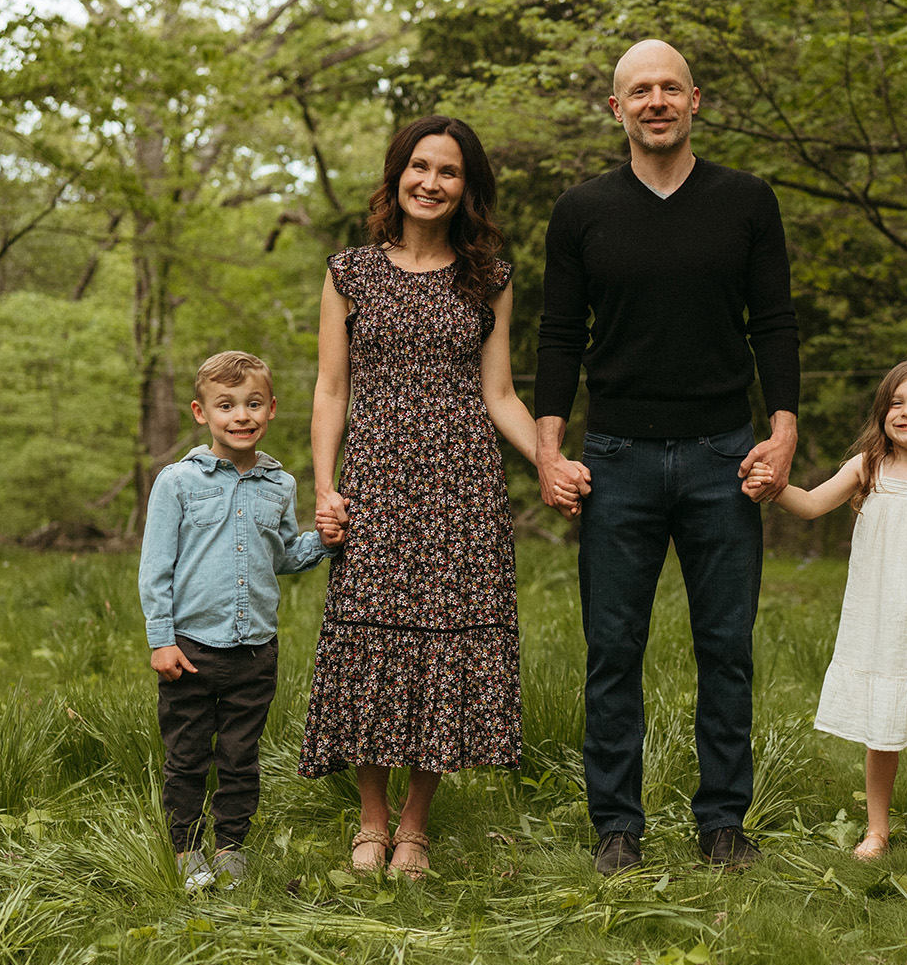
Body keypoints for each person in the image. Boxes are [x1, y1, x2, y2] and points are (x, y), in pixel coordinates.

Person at [533, 39, 800, 874]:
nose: (656, 100)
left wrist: (784, 431)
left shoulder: (747, 201)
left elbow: (776, 323)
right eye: (638, 90)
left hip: (726, 456)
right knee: (614, 648)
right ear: (616, 109)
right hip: (616, 459)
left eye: (669, 88)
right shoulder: (582, 211)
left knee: (727, 646)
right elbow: (558, 335)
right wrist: (549, 448)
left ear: (695, 100)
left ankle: (724, 823)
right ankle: (617, 826)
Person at [304, 116, 587, 879]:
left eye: (449, 172)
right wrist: (326, 487)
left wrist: (550, 462)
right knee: (370, 640)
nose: (431, 182)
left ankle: (416, 828)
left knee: (444, 646)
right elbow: (332, 389)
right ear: (397, 176)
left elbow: (500, 394)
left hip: (463, 489)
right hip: (377, 484)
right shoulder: (350, 272)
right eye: (419, 167)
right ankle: (369, 821)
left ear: (468, 189)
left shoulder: (488, 277)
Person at [747, 360, 907, 861]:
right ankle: (876, 831)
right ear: (882, 414)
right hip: (883, 619)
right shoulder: (869, 467)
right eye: (896, 404)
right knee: (883, 731)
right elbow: (813, 504)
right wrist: (771, 486)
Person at [139, 351, 336, 892]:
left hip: (255, 651)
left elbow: (283, 557)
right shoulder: (177, 482)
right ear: (202, 413)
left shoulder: (280, 485)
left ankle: (230, 850)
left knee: (240, 757)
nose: (240, 415)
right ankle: (185, 851)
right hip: (190, 650)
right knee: (187, 756)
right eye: (226, 405)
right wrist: (161, 641)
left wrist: (324, 541)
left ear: (271, 409)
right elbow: (155, 569)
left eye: (252, 404)